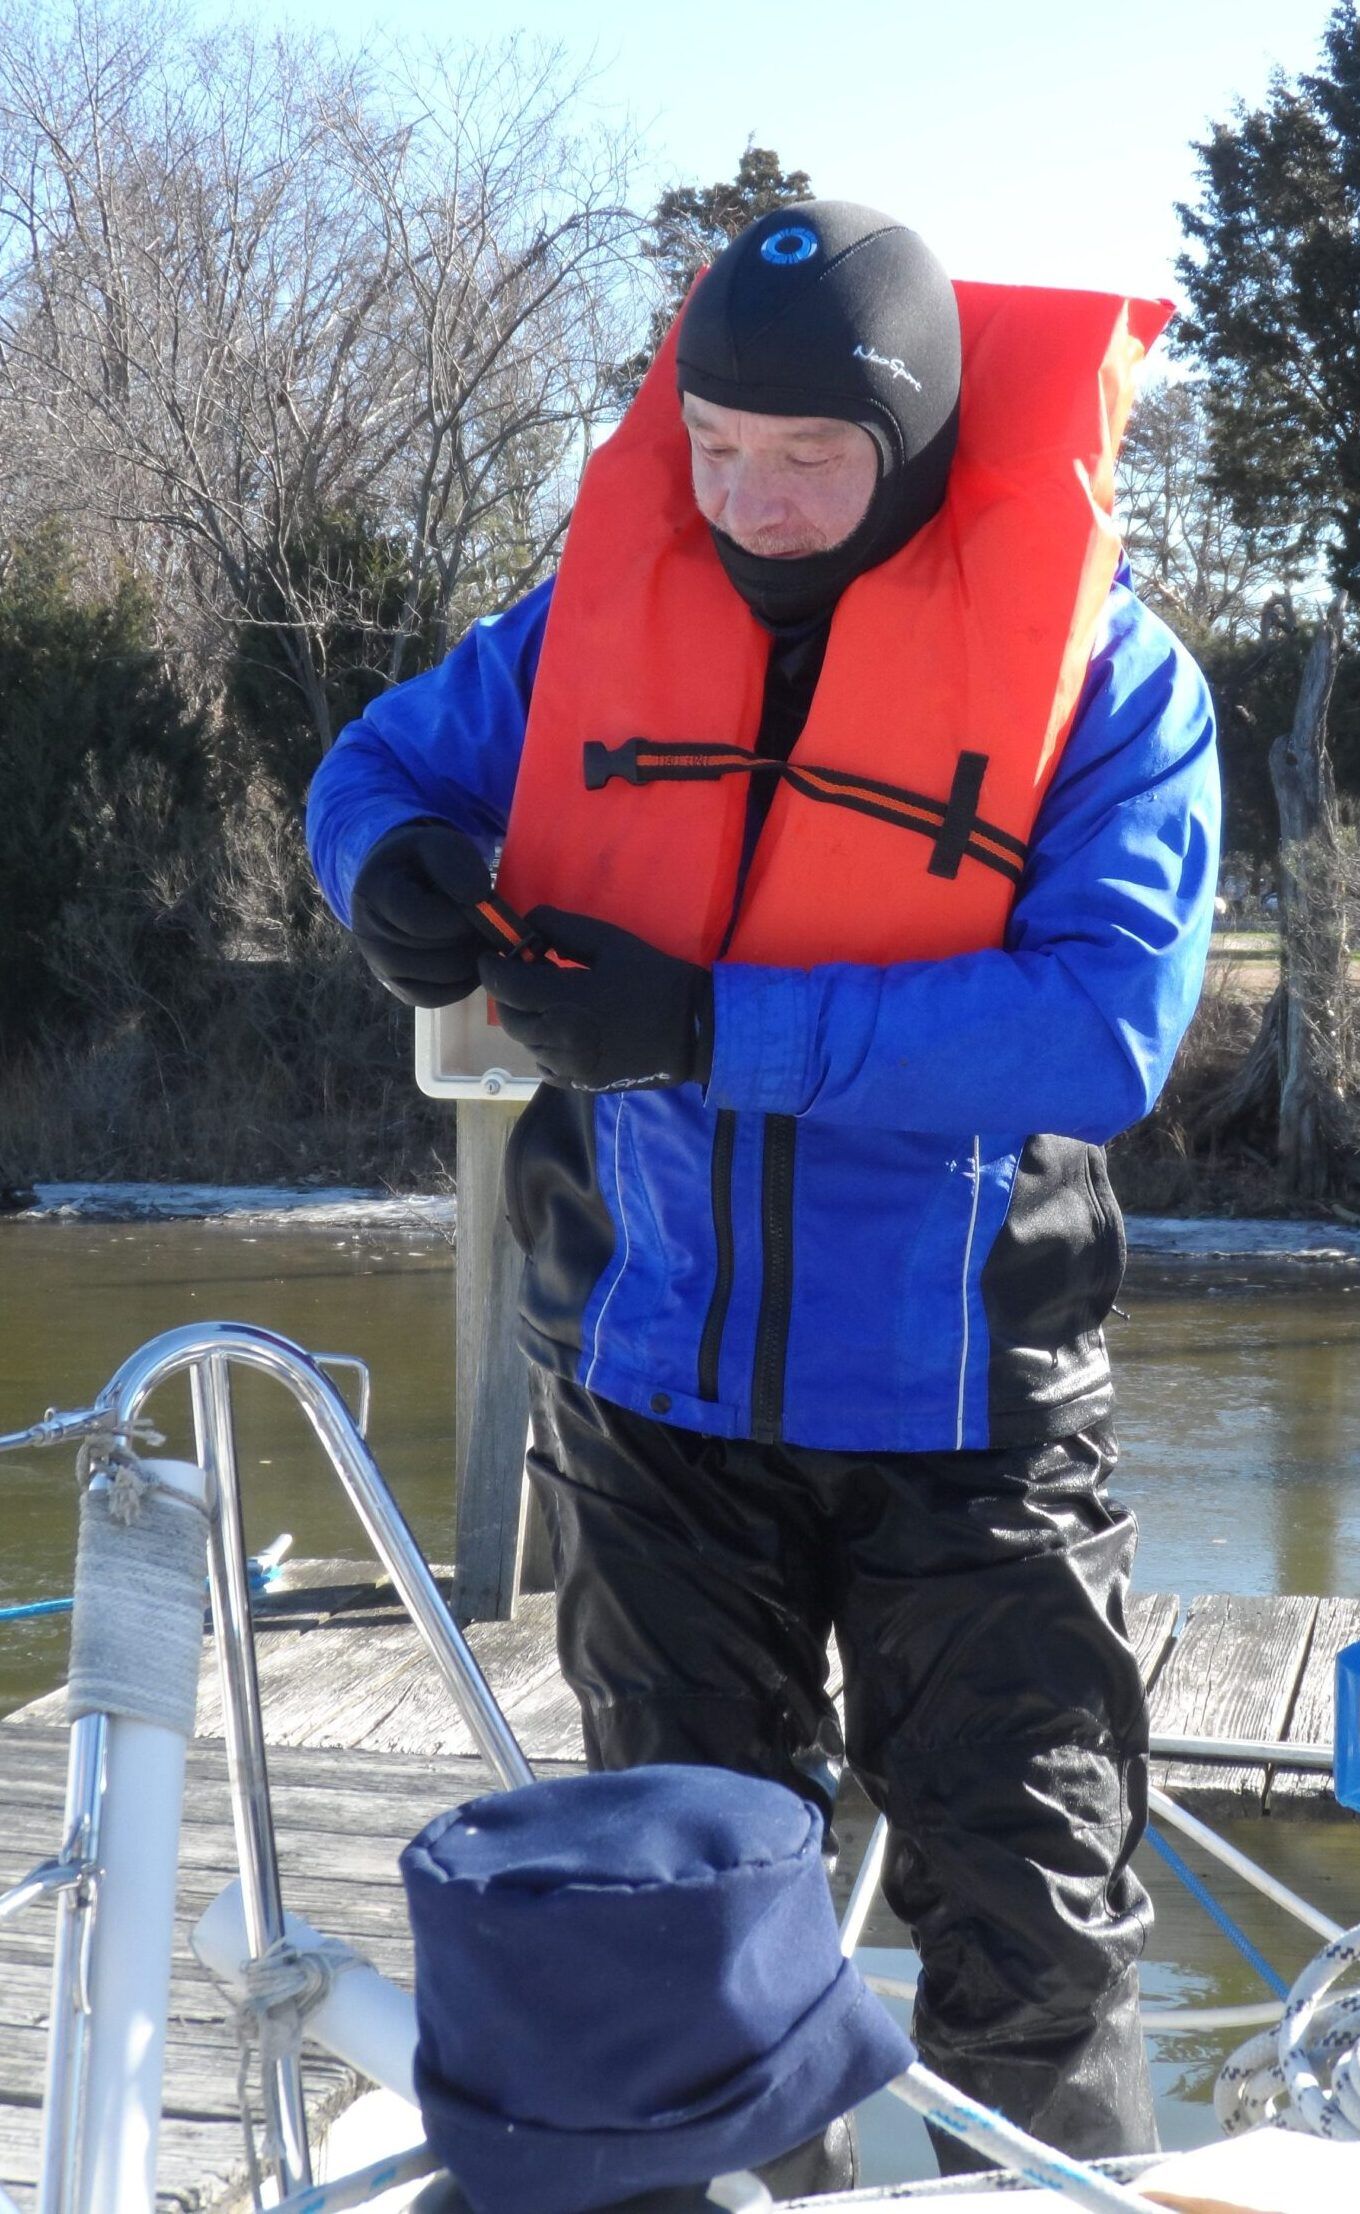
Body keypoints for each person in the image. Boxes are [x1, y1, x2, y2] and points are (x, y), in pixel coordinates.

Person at [308, 200, 1219, 2186]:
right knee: (664, 1947)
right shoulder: (583, 626)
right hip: (653, 1402)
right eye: (713, 445)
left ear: (915, 447)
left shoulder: (1118, 686)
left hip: (969, 1419)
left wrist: (714, 1025)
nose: (748, 501)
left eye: (807, 455)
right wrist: (384, 869)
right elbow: (379, 766)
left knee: (1035, 1942)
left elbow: (1102, 1028)